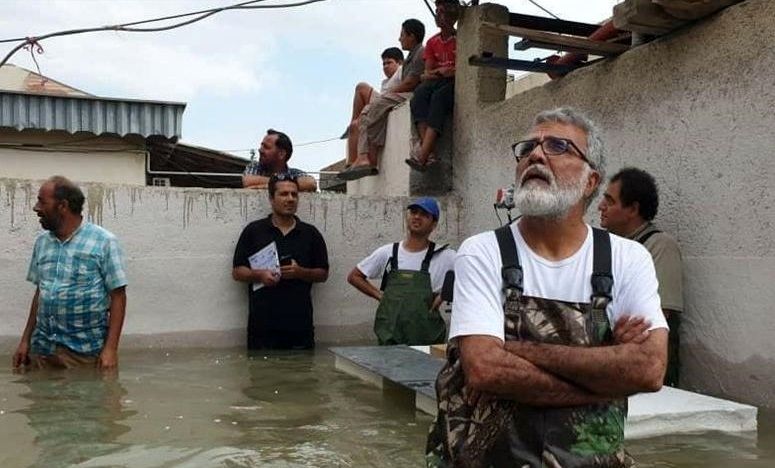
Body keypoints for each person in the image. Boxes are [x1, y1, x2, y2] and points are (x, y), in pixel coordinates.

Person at [426, 108, 668, 467]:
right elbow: (486, 369)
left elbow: (648, 369)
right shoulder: (482, 251)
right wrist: (605, 381)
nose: (536, 155)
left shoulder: (627, 259)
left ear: (590, 181)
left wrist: (518, 350)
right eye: (528, 147)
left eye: (558, 146)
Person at [12, 176, 128, 371]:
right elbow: (41, 293)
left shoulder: (104, 242)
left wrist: (110, 350)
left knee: (88, 400)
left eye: (42, 201)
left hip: (84, 354)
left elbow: (118, 296)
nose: (36, 208)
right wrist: (25, 341)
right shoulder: (42, 243)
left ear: (62, 206)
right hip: (44, 350)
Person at [599, 167, 683, 386]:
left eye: (610, 201)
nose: (601, 206)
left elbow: (653, 321)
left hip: (645, 371)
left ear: (633, 209)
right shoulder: (608, 248)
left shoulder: (659, 246)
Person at [232, 174, 329, 349]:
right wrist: (260, 275)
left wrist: (301, 272)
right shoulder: (254, 231)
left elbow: (323, 274)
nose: (290, 199)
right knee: (262, 375)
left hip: (300, 328)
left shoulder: (310, 234)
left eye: (294, 194)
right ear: (271, 198)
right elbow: (237, 272)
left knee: (303, 374)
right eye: (284, 194)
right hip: (262, 330)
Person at [347, 197, 456, 345]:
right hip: (390, 339)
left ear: (434, 224)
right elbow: (354, 276)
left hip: (428, 339)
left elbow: (470, 276)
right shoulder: (388, 252)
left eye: (424, 214)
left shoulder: (445, 256)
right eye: (414, 212)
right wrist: (380, 296)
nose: (417, 217)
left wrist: (444, 295)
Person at [338, 19, 426, 181]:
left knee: (369, 110)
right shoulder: (411, 56)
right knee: (368, 113)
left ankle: (365, 157)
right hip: (405, 94)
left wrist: (388, 94)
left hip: (412, 95)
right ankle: (365, 156)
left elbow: (411, 82)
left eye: (402, 35)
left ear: (411, 36)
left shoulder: (420, 53)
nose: (400, 39)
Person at [406, 0, 460, 172]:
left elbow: (462, 69)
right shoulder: (432, 42)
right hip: (438, 80)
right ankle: (429, 153)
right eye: (437, 10)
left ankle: (423, 155)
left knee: (439, 98)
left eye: (442, 10)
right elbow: (428, 72)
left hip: (454, 84)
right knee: (419, 96)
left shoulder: (461, 39)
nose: (439, 14)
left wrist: (449, 71)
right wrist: (441, 71)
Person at [345, 47, 405, 168]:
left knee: (362, 87)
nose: (385, 66)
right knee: (360, 89)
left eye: (389, 63)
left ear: (399, 62)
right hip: (382, 101)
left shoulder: (401, 71)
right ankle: (354, 123)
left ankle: (356, 125)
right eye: (383, 64)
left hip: (390, 101)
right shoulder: (385, 82)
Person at [242, 129, 317, 192]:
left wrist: (265, 186)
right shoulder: (255, 167)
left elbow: (311, 183)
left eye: (266, 147)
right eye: (261, 145)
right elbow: (248, 181)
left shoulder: (294, 173)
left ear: (281, 154)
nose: (260, 150)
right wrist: (289, 185)